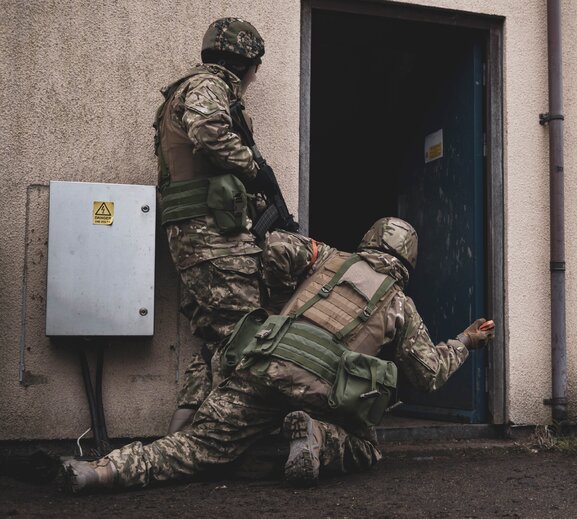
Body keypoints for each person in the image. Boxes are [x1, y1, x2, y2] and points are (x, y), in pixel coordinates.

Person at [62, 217, 495, 492]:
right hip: (320, 392)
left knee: (194, 447)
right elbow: (427, 374)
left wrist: (277, 305)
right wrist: (465, 341)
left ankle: (102, 472)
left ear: (369, 240)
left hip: (264, 366)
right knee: (366, 447)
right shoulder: (400, 305)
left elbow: (276, 246)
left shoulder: (328, 258)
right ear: (408, 262)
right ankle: (317, 435)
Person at [154, 18, 271, 433]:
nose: (254, 78)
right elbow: (208, 132)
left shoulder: (188, 91)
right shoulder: (208, 85)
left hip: (197, 236)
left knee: (219, 339)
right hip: (211, 237)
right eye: (254, 68)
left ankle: (180, 435)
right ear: (243, 63)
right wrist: (254, 169)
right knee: (247, 335)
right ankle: (217, 441)